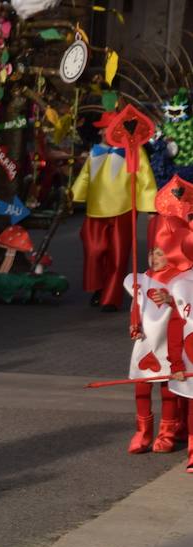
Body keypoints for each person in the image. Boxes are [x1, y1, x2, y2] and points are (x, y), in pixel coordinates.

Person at [127, 184, 193, 454]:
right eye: (152, 251)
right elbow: (137, 302)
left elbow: (184, 305)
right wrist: (133, 322)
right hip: (144, 342)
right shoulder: (139, 278)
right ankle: (143, 431)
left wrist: (172, 301)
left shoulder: (182, 280)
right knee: (141, 386)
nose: (154, 257)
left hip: (168, 341)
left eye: (160, 252)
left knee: (167, 388)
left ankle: (166, 432)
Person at [72, 111, 157, 312]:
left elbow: (145, 179)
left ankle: (110, 297)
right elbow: (85, 176)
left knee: (118, 256)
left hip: (124, 210)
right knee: (94, 250)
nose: (101, 131)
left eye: (105, 128)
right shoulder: (96, 152)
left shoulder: (134, 151)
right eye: (101, 128)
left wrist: (150, 207)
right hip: (95, 210)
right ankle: (99, 286)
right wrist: (72, 197)